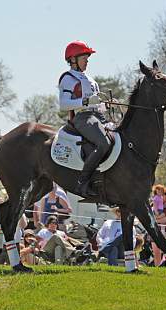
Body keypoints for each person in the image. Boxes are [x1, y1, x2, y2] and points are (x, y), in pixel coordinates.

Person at [58, 40, 112, 197]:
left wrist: (106, 106)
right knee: (103, 142)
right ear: (73, 59)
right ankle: (82, 182)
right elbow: (64, 104)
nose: (87, 61)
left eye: (87, 59)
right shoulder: (68, 78)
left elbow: (96, 106)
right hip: (82, 118)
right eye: (84, 58)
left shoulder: (92, 81)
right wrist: (86, 101)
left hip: (97, 116)